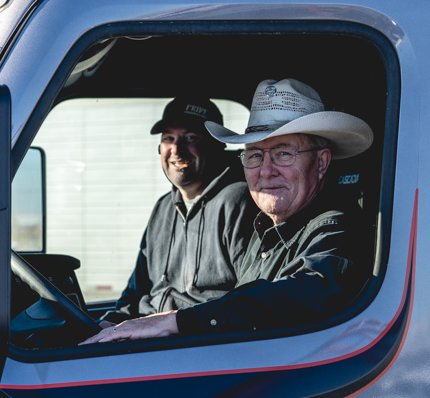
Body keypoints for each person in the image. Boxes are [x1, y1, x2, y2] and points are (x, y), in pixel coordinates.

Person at [82, 79, 373, 343]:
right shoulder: (265, 228)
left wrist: (176, 322)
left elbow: (309, 291)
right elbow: (245, 305)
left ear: (321, 163)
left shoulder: (337, 226)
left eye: (284, 153)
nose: (266, 171)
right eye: (255, 155)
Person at [96, 96, 257, 327]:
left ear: (216, 146)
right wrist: (110, 323)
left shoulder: (238, 202)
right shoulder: (163, 208)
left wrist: (171, 326)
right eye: (168, 139)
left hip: (196, 340)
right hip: (151, 333)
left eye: (190, 138)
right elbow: (134, 294)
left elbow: (247, 304)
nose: (176, 149)